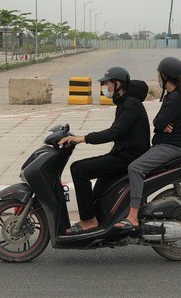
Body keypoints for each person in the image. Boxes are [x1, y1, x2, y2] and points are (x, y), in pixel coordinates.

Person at [114, 56, 181, 229]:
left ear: (165, 76)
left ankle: (132, 216)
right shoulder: (173, 96)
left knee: (135, 168)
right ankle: (139, 208)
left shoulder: (176, 98)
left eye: (159, 74)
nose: (157, 77)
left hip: (171, 147)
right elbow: (160, 123)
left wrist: (161, 126)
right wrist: (162, 125)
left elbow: (158, 122)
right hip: (167, 146)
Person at [59, 67, 150, 235]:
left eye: (107, 83)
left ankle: (89, 221)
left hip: (129, 157)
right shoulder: (126, 102)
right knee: (98, 191)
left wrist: (82, 138)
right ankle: (102, 221)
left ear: (118, 84)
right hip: (122, 154)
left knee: (79, 169)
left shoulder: (130, 105)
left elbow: (114, 132)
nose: (105, 88)